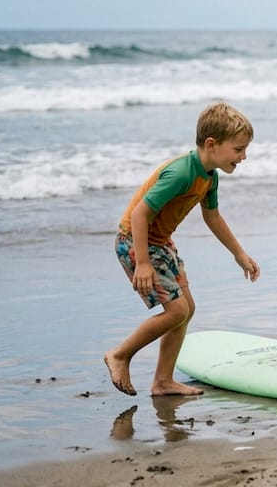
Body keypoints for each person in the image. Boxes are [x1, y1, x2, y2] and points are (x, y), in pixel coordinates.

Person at [104, 102, 261, 397]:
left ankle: (162, 381)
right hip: (136, 242)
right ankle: (120, 355)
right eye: (239, 149)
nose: (244, 156)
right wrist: (143, 263)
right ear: (212, 144)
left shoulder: (209, 176)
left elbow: (212, 216)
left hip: (160, 243)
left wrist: (239, 253)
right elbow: (139, 215)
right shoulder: (180, 174)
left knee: (186, 310)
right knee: (176, 310)